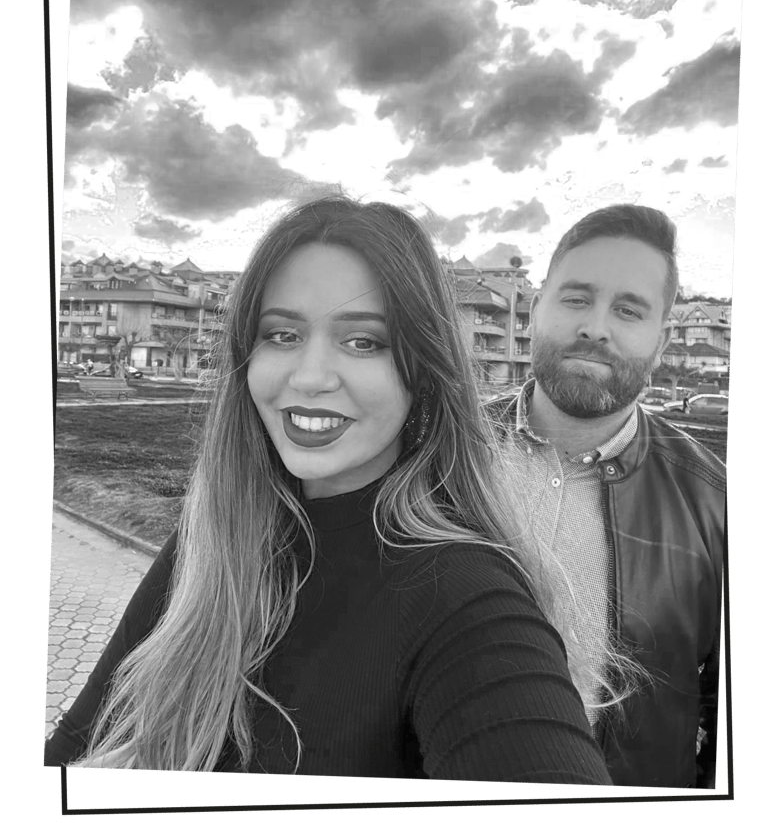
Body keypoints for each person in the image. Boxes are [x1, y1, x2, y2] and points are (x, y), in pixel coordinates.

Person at [44, 196, 614, 783]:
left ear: (423, 370)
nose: (310, 377)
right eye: (281, 334)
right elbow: (78, 742)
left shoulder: (467, 595)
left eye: (363, 341)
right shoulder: (217, 537)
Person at [490, 205, 725, 789]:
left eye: (628, 310)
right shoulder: (434, 453)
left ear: (661, 341)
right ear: (537, 310)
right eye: (576, 298)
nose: (596, 327)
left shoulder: (718, 504)